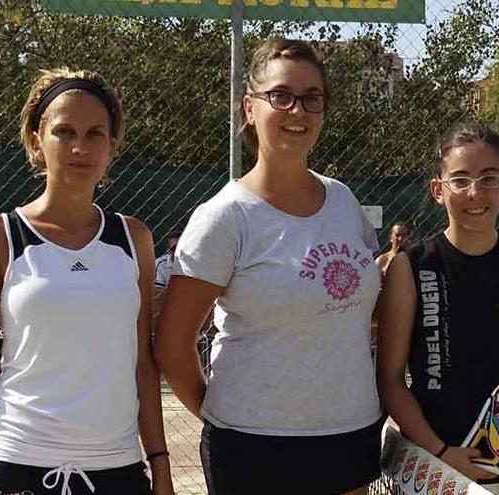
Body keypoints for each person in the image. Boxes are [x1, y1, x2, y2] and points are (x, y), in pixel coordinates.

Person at [155, 38, 382, 495]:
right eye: (281, 95)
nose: (297, 111)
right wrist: (229, 417)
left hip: (350, 435)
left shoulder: (343, 201)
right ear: (249, 107)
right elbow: (173, 344)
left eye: (311, 98)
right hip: (252, 448)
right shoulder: (224, 216)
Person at [0, 68, 173, 495]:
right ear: (37, 141)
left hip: (117, 467)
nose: (80, 147)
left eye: (96, 133)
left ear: (112, 145)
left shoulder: (135, 239)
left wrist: (162, 467)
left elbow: (141, 362)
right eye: (64, 131)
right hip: (16, 464)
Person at [377, 122, 499, 495]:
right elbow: (391, 380)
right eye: (460, 180)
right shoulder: (411, 266)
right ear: (437, 190)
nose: (475, 192)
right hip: (435, 465)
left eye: (489, 178)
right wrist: (440, 452)